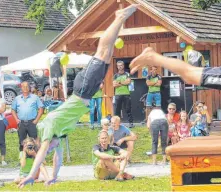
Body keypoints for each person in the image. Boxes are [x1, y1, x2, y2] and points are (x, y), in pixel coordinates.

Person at [18, 5, 139, 188]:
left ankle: (119, 17)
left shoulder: (46, 129)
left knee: (102, 51)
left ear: (39, 141)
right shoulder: (57, 133)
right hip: (86, 92)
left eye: (48, 147)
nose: (51, 148)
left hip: (81, 90)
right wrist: (53, 176)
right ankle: (118, 22)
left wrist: (30, 175)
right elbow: (57, 158)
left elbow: (42, 152)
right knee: (107, 54)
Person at [12, 81, 44, 158]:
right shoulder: (17, 99)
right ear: (21, 88)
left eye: (27, 86)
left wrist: (36, 120)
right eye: (24, 86)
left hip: (31, 122)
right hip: (21, 123)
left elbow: (41, 108)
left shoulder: (35, 97)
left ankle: (36, 157)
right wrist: (16, 119)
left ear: (29, 88)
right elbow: (13, 110)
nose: (25, 88)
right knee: (22, 141)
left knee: (34, 141)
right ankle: (22, 157)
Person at [113, 60, 134, 128]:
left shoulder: (127, 74)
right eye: (118, 66)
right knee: (117, 110)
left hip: (126, 94)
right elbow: (114, 85)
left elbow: (128, 82)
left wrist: (119, 83)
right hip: (117, 94)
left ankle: (131, 123)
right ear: (117, 67)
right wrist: (123, 82)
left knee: (128, 109)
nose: (120, 67)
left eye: (121, 65)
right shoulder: (115, 75)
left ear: (123, 66)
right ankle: (117, 123)